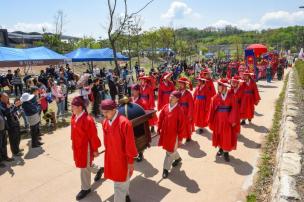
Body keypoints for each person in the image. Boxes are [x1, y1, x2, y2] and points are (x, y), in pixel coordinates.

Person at [100, 99, 138, 202]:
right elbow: (106, 142)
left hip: (122, 158)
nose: (104, 114)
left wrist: (130, 161)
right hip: (112, 156)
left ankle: (123, 197)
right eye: (103, 112)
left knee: (119, 184)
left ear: (114, 110)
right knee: (122, 180)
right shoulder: (105, 122)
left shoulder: (124, 123)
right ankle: (126, 195)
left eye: (106, 112)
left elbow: (130, 144)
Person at [70, 96, 103, 201]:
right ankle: (99, 169)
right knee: (85, 164)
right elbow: (73, 131)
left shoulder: (87, 120)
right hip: (78, 146)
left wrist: (95, 150)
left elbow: (93, 136)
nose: (72, 108)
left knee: (84, 166)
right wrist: (73, 143)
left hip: (86, 147)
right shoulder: (74, 117)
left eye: (74, 106)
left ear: (80, 107)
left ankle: (86, 188)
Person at [208, 78, 238, 162]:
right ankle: (220, 148)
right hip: (218, 120)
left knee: (227, 136)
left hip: (228, 120)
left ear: (224, 87)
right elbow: (212, 110)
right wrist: (210, 120)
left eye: (219, 85)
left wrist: (232, 120)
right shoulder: (215, 98)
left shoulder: (232, 97)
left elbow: (234, 109)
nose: (218, 87)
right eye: (218, 85)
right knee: (219, 134)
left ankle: (226, 152)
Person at [158, 91, 185, 179]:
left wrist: (180, 137)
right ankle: (177, 158)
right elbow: (161, 118)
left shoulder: (179, 110)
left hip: (174, 135)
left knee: (169, 152)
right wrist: (159, 128)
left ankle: (165, 169)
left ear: (177, 99)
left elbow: (181, 125)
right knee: (171, 150)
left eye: (173, 97)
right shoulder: (165, 107)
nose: (170, 98)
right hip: (166, 133)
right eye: (170, 96)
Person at [0, 93, 23, 157]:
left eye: (7, 97)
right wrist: (14, 106)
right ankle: (15, 152)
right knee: (13, 138)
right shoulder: (1, 105)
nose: (7, 98)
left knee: (18, 137)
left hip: (15, 121)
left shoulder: (7, 103)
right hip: (10, 124)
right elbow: (7, 113)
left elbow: (12, 110)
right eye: (6, 97)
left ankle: (17, 149)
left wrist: (16, 106)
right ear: (1, 98)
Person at [177, 77, 194, 143]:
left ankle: (188, 136)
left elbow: (191, 105)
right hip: (179, 110)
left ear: (184, 85)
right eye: (180, 84)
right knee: (180, 124)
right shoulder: (178, 92)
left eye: (182, 84)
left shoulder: (188, 94)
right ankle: (180, 136)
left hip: (186, 110)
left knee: (187, 124)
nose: (180, 85)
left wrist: (190, 114)